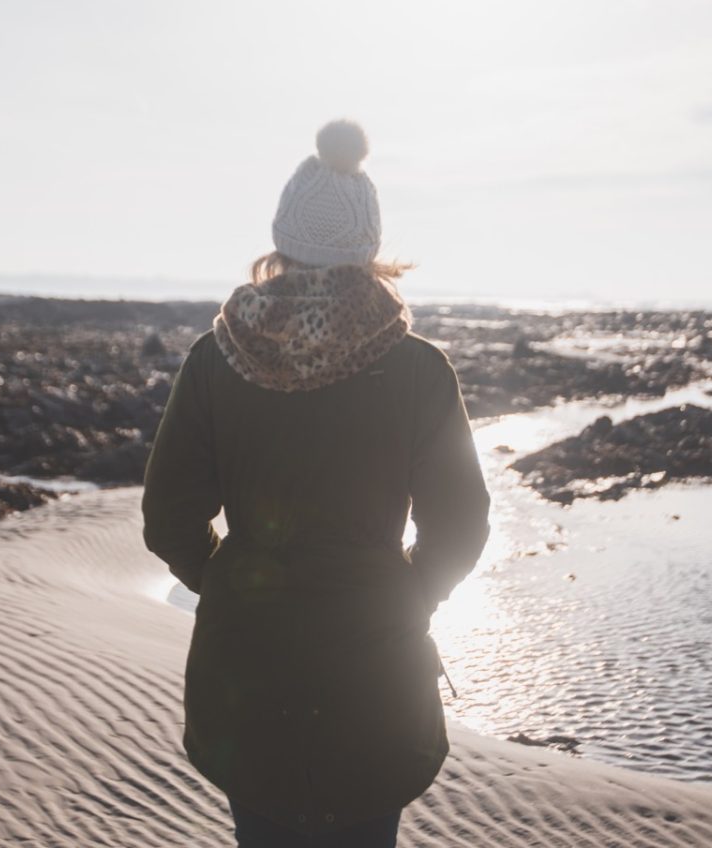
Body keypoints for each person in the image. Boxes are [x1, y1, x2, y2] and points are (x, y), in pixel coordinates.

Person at [141, 119, 492, 848]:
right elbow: (461, 524)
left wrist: (230, 581)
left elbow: (168, 514)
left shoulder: (216, 358)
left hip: (247, 669)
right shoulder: (419, 368)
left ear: (282, 243)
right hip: (377, 668)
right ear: (369, 251)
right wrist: (408, 591)